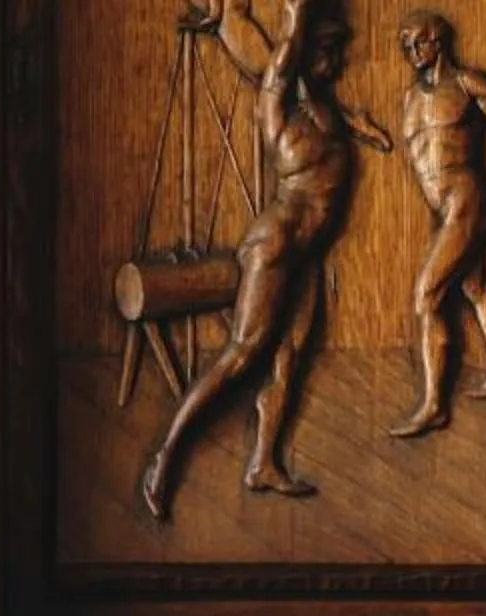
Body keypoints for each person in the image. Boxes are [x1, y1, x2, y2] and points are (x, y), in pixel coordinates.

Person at [139, 0, 375, 518]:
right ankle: (166, 456)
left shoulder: (323, 107)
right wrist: (296, 16)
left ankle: (263, 463)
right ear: (307, 52)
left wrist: (365, 130)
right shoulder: (276, 106)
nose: (338, 63)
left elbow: (333, 120)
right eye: (330, 52)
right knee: (241, 356)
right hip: (275, 246)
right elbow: (286, 49)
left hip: (304, 256)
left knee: (288, 362)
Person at [390, 12, 486, 440]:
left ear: (437, 41)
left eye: (417, 43)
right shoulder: (410, 99)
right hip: (443, 209)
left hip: (467, 202)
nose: (410, 53)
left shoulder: (468, 84)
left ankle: (434, 405)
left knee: (427, 296)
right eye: (404, 46)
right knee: (475, 287)